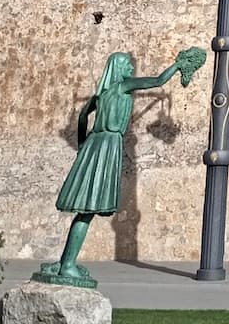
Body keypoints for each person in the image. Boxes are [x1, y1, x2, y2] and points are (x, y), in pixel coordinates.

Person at [35, 46, 206, 288]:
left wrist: (83, 144)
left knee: (85, 210)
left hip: (94, 144)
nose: (130, 67)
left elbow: (82, 117)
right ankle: (68, 265)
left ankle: (65, 262)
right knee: (87, 210)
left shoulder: (101, 94)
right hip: (108, 146)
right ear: (117, 68)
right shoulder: (122, 86)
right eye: (126, 64)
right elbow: (157, 81)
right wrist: (177, 65)